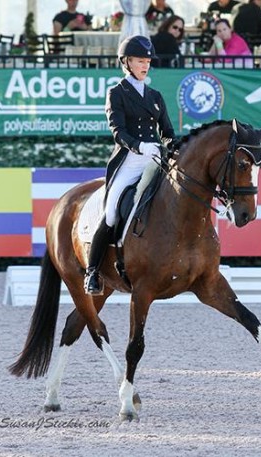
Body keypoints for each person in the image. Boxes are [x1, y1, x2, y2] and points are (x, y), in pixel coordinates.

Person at [84, 35, 176, 295]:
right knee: (112, 212)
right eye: (139, 61)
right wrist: (139, 146)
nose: (145, 65)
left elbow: (167, 131)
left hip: (156, 159)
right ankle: (92, 272)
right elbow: (117, 131)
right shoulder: (117, 93)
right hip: (129, 161)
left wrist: (171, 147)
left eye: (147, 61)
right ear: (126, 62)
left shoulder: (156, 96)